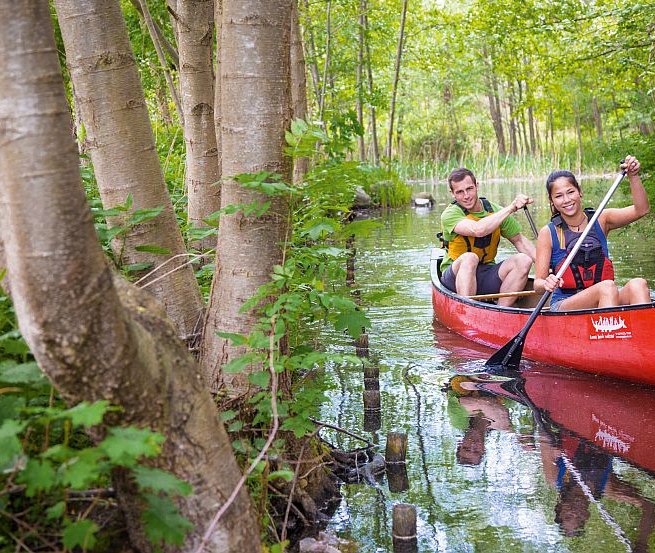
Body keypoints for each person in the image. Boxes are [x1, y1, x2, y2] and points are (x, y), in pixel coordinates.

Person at [534, 155, 650, 311]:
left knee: (638, 284)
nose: (567, 200)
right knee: (607, 288)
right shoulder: (548, 232)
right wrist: (546, 283)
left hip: (606, 296)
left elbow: (641, 210)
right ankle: (609, 332)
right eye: (559, 196)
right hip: (566, 303)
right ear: (552, 201)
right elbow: (537, 284)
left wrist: (633, 176)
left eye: (570, 192)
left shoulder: (601, 219)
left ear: (579, 191)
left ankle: (644, 333)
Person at [439, 167, 537, 306]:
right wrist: (511, 207)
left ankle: (501, 311)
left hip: (486, 274)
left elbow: (519, 241)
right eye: (460, 192)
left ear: (477, 186)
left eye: (470, 189)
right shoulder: (450, 214)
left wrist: (549, 267)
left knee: (523, 260)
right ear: (452, 194)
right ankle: (467, 310)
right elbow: (477, 229)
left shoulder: (495, 211)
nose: (466, 196)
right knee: (470, 258)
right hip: (455, 278)